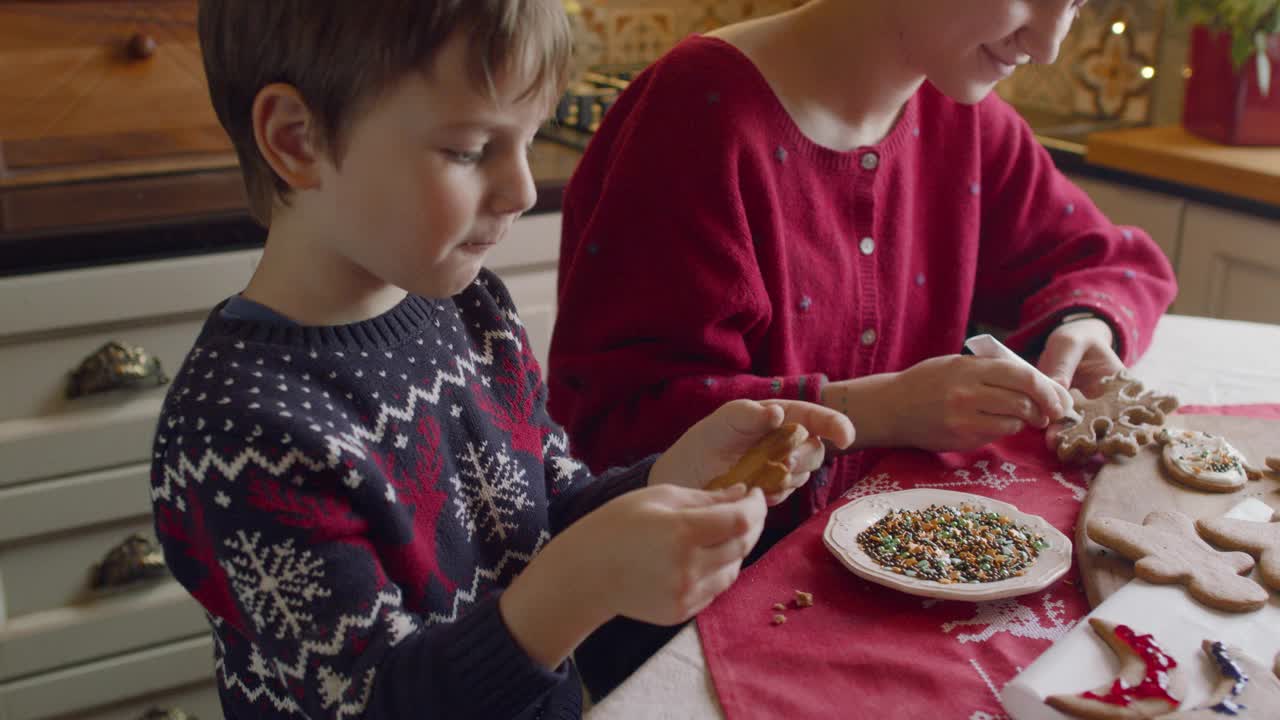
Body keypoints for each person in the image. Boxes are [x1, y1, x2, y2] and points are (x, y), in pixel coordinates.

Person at [149, 2, 854, 718]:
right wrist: (579, 586)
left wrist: (675, 473)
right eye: (469, 149)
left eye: (527, 140)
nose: (521, 190)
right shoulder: (238, 433)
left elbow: (549, 512)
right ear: (297, 140)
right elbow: (377, 702)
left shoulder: (471, 308)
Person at [548, 0, 1177, 698]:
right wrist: (879, 410)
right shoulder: (698, 113)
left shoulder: (958, 110)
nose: (1051, 44)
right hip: (691, 637)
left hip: (895, 604)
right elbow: (612, 432)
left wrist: (1085, 326)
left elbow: (1115, 263)